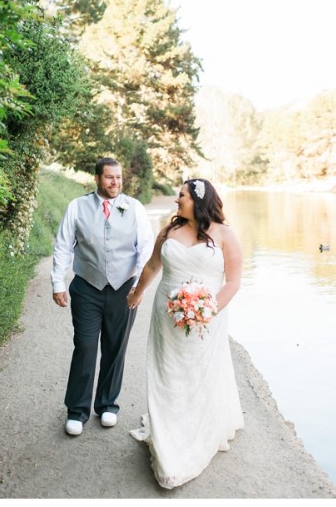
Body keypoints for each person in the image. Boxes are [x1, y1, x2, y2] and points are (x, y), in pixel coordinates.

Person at [127, 178, 244, 489]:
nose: (177, 199)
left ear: (198, 201)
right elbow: (153, 266)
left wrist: (208, 311)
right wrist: (137, 293)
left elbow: (232, 282)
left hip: (207, 319)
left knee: (197, 377)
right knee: (166, 374)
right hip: (166, 315)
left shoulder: (225, 235)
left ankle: (193, 439)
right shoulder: (168, 230)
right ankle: (166, 448)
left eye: (182, 195)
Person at [52, 157, 154, 436]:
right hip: (87, 287)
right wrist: (57, 282)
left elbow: (146, 249)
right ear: (97, 178)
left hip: (124, 289)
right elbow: (63, 245)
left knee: (115, 347)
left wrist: (139, 287)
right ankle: (77, 410)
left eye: (119, 178)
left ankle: (108, 404)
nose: (115, 183)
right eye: (109, 177)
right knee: (84, 346)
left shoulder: (135, 208)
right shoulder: (77, 207)